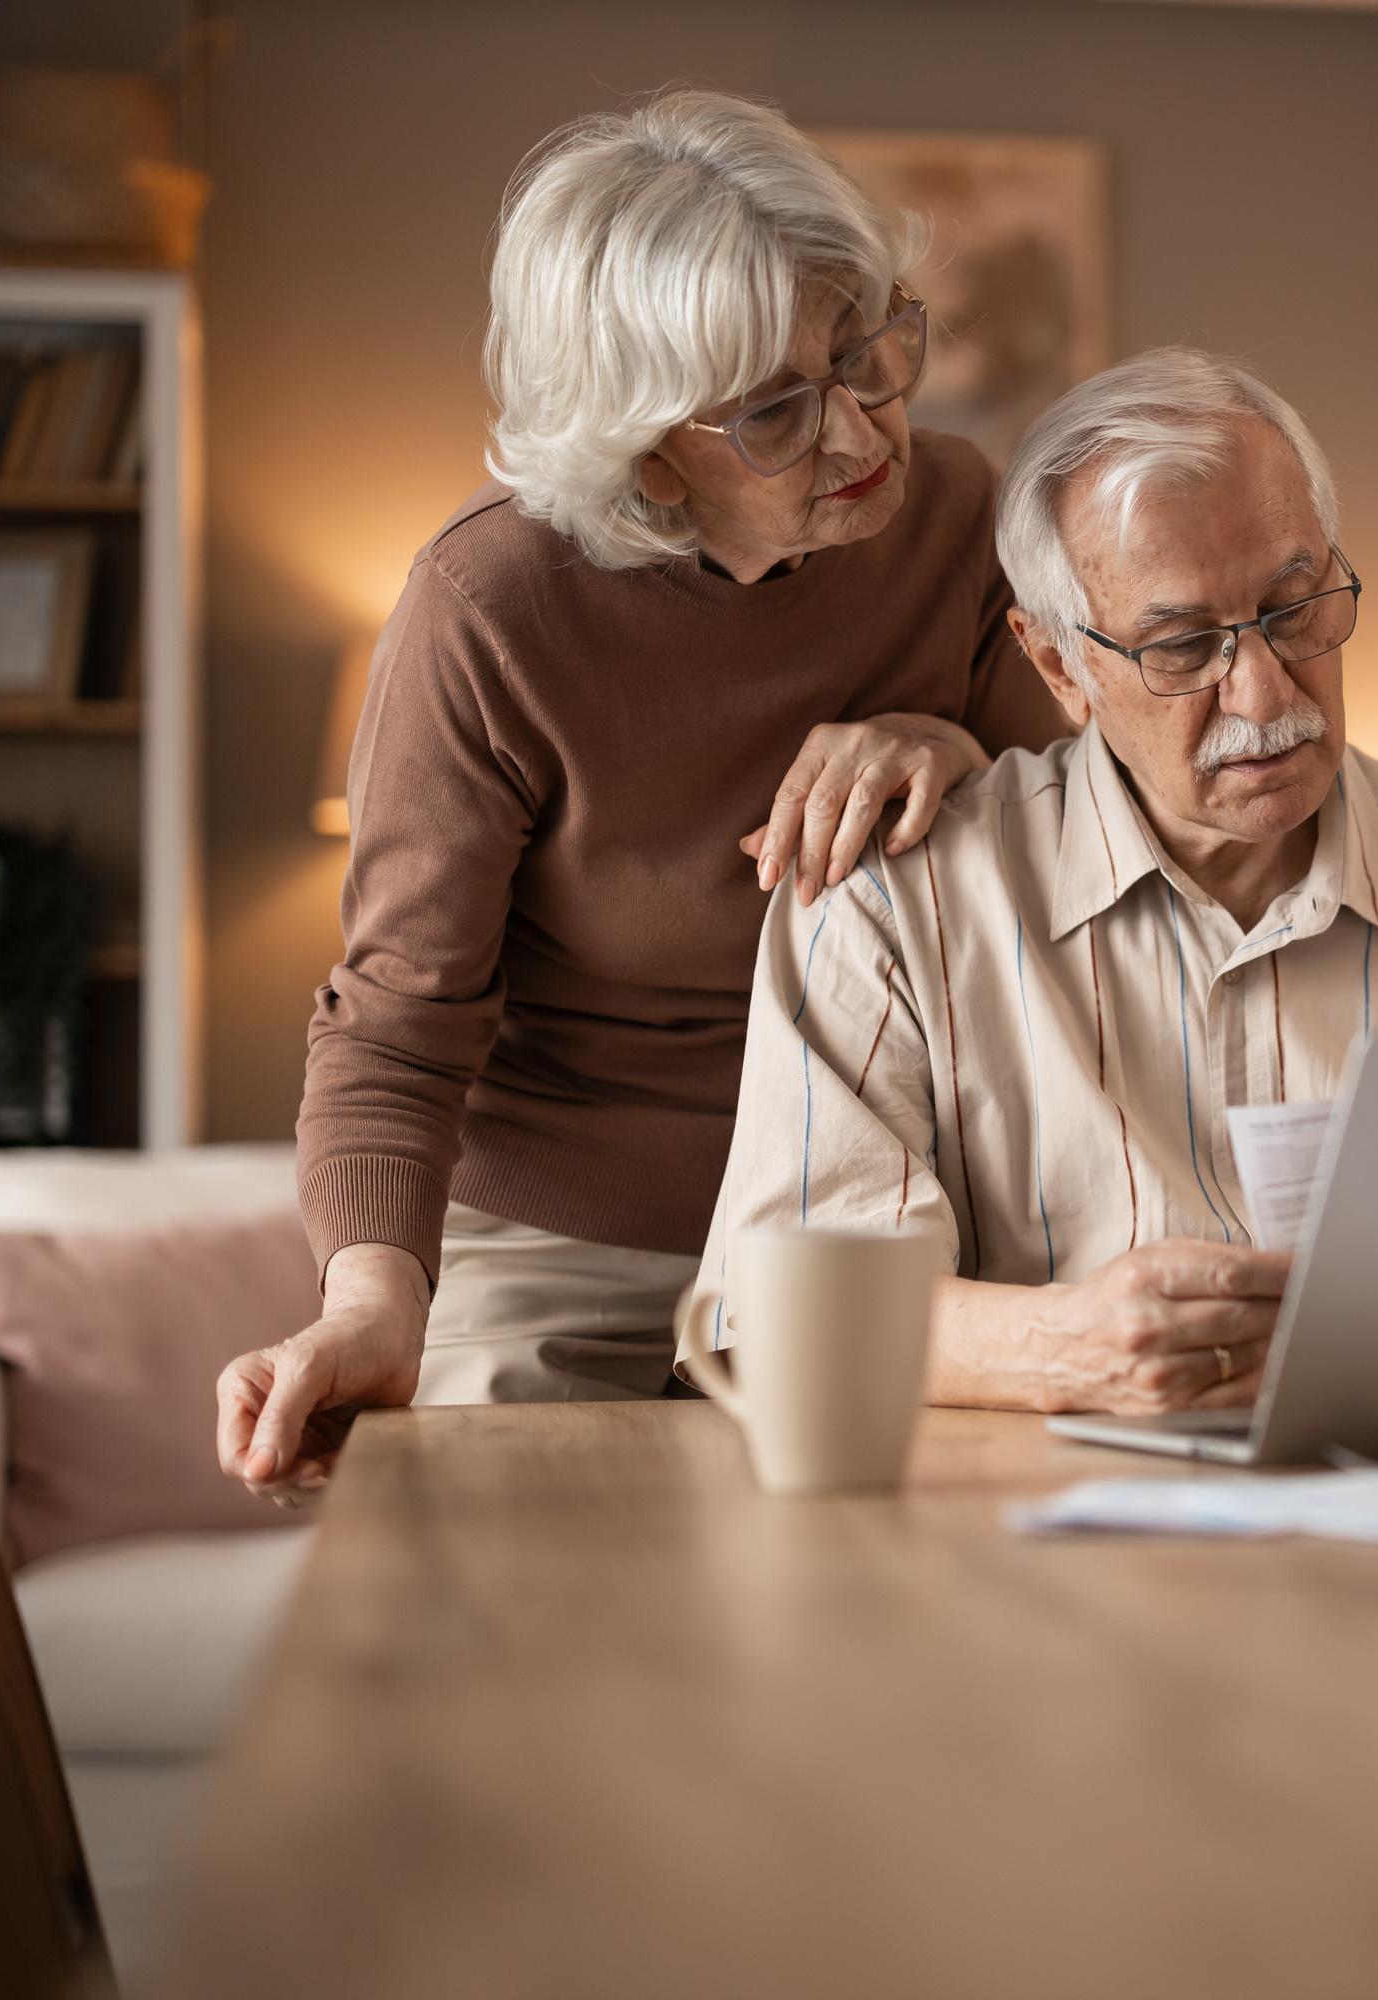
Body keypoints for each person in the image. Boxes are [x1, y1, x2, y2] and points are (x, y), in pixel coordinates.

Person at [214, 90, 1070, 1501]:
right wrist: (371, 1304)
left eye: (867, 351)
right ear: (642, 442)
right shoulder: (490, 607)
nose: (860, 432)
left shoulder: (963, 523)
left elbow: (1079, 863)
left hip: (873, 1224)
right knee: (507, 1596)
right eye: (775, 410)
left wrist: (958, 756)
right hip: (566, 1243)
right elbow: (398, 1027)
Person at [685, 349, 1378, 1413]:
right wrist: (1066, 1347)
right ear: (1059, 665)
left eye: (1295, 610)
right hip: (1040, 1514)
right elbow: (777, 1315)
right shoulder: (893, 909)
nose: (1263, 693)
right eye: (1184, 646)